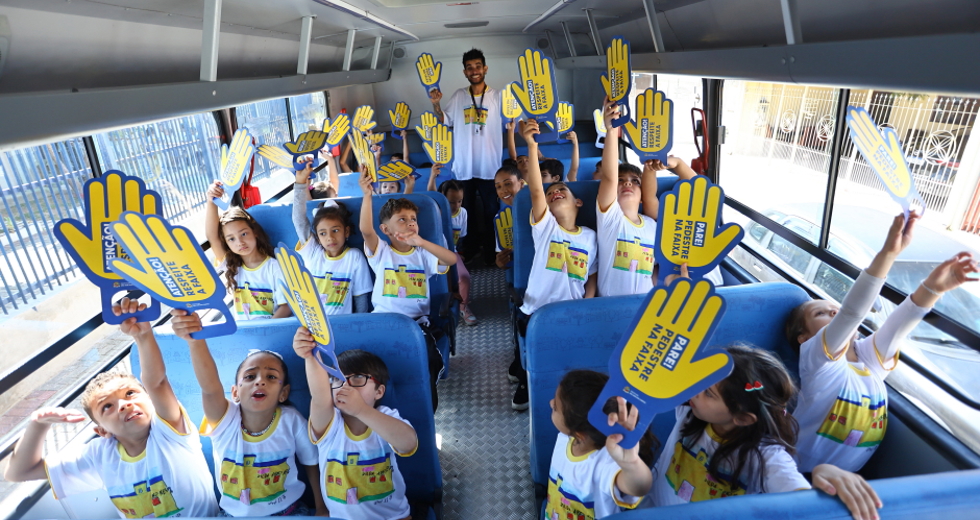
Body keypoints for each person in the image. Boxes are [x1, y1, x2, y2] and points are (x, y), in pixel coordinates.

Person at [786, 214, 978, 473]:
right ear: (805, 338)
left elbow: (900, 324)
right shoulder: (817, 362)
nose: (833, 312)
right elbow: (852, 312)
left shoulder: (870, 364)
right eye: (820, 313)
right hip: (798, 472)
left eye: (834, 308)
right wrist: (888, 253)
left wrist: (934, 287)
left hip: (849, 479)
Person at [4, 298, 218, 518]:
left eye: (130, 393)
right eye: (107, 406)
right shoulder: (100, 456)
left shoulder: (170, 432)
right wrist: (38, 425)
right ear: (102, 431)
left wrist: (143, 335)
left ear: (152, 403)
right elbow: (19, 472)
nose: (124, 404)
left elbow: (157, 382)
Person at [647, 345, 883, 520]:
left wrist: (825, 472)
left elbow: (797, 496)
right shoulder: (691, 413)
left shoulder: (766, 456)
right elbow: (672, 357)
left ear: (741, 418)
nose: (696, 389)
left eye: (708, 392)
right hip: (648, 510)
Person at [168, 310, 324, 516]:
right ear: (235, 393)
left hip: (289, 511)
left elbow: (312, 463)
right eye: (250, 377)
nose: (260, 381)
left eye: (270, 377)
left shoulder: (291, 420)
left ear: (283, 393)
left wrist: (322, 507)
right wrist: (195, 341)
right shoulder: (225, 420)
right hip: (234, 514)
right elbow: (210, 387)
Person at [511, 120, 598, 411]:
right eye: (552, 193)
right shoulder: (546, 227)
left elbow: (592, 275)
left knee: (569, 364)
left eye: (563, 190)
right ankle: (524, 376)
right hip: (536, 310)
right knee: (534, 361)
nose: (555, 192)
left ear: (579, 203)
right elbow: (536, 191)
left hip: (571, 311)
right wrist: (532, 147)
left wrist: (586, 305)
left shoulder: (590, 237)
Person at [359, 167, 457, 411]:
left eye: (413, 220)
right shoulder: (381, 252)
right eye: (402, 220)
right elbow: (365, 230)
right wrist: (367, 195)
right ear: (387, 230)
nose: (410, 223)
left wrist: (422, 242)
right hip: (382, 321)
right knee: (370, 364)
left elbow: (451, 261)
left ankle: (426, 408)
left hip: (416, 324)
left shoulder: (423, 253)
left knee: (428, 360)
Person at [293, 334, 416, 520]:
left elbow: (408, 443)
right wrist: (311, 355)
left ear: (379, 391)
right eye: (337, 379)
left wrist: (361, 410)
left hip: (394, 517)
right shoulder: (330, 424)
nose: (345, 386)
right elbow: (319, 395)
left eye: (358, 378)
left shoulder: (386, 416)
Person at [596, 98, 698, 297]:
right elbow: (608, 177)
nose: (627, 183)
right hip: (609, 306)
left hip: (645, 304)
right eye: (621, 180)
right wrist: (610, 131)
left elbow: (654, 271)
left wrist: (674, 284)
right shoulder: (610, 219)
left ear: (642, 196)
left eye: (635, 181)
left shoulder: (652, 225)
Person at [546, 370, 654, 519]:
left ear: (580, 433)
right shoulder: (566, 437)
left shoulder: (605, 464)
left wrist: (631, 464)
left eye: (556, 408)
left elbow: (639, 487)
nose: (550, 403)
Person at [430, 48, 502, 266]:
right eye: (469, 67)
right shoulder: (460, 95)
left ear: (485, 68)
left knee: (492, 212)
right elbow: (445, 119)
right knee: (465, 214)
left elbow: (514, 123)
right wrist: (436, 103)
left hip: (490, 166)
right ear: (465, 72)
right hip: (464, 166)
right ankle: (469, 252)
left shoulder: (497, 96)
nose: (474, 71)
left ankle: (491, 254)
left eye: (478, 66)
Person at [206, 181, 291, 320]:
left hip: (269, 330)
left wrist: (265, 331)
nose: (240, 242)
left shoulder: (274, 267)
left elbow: (286, 306)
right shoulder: (232, 266)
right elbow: (212, 237)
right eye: (231, 239)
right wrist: (211, 201)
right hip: (243, 331)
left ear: (255, 232)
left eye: (244, 234)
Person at [429, 165, 477, 325]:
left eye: (459, 201)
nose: (456, 205)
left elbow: (461, 236)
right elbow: (431, 196)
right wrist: (432, 177)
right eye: (450, 202)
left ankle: (464, 307)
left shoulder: (463, 213)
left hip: (451, 252)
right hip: (432, 253)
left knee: (464, 278)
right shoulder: (436, 210)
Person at [492, 164, 524, 270]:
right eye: (498, 187)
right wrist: (501, 262)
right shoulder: (501, 218)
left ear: (521, 184)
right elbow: (506, 260)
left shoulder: (539, 209)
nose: (503, 190)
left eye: (508, 184)